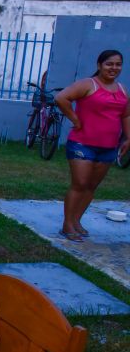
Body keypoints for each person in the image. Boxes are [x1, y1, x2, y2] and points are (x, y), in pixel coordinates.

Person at [55, 50, 129, 242]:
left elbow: (126, 115)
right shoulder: (88, 84)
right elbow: (61, 98)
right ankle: (67, 225)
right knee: (80, 184)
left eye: (118, 64)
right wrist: (75, 119)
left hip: (108, 147)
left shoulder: (121, 89)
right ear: (99, 65)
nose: (114, 68)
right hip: (82, 144)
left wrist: (128, 138)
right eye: (109, 64)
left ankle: (76, 221)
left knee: (91, 186)